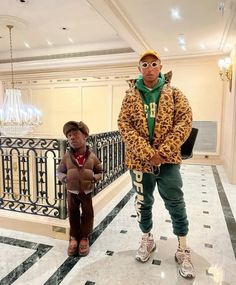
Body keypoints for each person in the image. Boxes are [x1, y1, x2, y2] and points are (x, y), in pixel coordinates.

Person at [118, 50, 195, 279]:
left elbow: (185, 121)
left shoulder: (174, 93)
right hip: (139, 162)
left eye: (153, 64)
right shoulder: (130, 96)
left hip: (168, 160)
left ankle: (182, 249)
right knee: (143, 202)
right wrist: (147, 153)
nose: (149, 68)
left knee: (176, 202)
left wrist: (162, 152)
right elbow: (124, 126)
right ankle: (147, 239)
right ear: (139, 68)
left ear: (160, 67)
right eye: (144, 64)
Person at [57, 121, 102, 257]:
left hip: (87, 191)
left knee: (88, 214)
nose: (71, 138)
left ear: (85, 136)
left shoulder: (92, 157)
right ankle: (74, 237)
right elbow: (59, 171)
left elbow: (100, 171)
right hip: (72, 192)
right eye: (69, 135)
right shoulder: (66, 157)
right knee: (73, 214)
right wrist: (64, 178)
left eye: (75, 134)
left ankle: (84, 237)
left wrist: (95, 177)